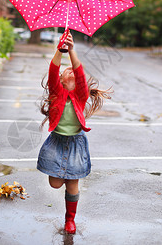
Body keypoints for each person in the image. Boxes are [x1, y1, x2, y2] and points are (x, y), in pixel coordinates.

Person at [37, 32, 112, 234]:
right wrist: (59, 50)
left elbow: (79, 72)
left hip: (76, 143)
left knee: (73, 184)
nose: (70, 70)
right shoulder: (56, 93)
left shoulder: (80, 96)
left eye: (72, 71)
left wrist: (71, 50)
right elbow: (53, 70)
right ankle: (63, 177)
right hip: (57, 142)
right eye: (66, 71)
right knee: (55, 184)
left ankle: (70, 220)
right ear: (60, 80)